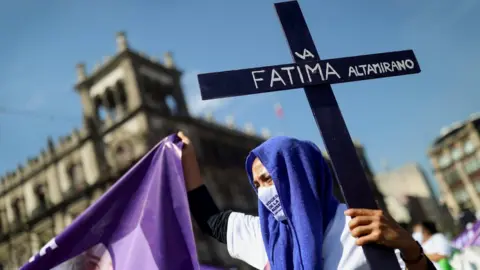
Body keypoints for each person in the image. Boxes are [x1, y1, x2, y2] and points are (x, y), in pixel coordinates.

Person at [179, 132, 435, 269]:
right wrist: (186, 158)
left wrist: (410, 248)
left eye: (269, 179)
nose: (263, 193)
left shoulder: (358, 225)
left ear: (300, 176)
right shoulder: (269, 236)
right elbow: (210, 220)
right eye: (256, 185)